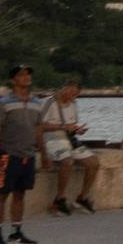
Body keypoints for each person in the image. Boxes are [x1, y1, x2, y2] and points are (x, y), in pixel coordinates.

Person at [0, 65, 48, 244]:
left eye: (28, 74)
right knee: (2, 194)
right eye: (21, 75)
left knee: (20, 194)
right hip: (8, 155)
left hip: (27, 155)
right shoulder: (3, 103)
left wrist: (44, 153)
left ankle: (16, 232)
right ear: (13, 80)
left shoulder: (36, 102)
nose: (26, 77)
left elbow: (38, 130)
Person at [40, 77, 100, 216]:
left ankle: (82, 198)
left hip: (69, 138)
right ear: (64, 89)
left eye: (76, 95)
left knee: (93, 163)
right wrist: (63, 126)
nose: (73, 97)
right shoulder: (48, 102)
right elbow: (39, 126)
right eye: (71, 93)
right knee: (67, 161)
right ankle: (59, 199)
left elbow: (70, 126)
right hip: (51, 138)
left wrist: (77, 129)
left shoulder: (73, 104)